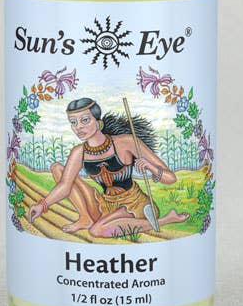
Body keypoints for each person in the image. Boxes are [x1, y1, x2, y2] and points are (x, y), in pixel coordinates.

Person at [28, 97, 189, 238]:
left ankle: (166, 219)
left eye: (85, 120)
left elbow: (171, 178)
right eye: (73, 122)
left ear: (98, 123)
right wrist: (42, 205)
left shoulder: (126, 142)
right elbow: (65, 185)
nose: (78, 127)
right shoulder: (79, 152)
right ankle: (85, 218)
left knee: (97, 230)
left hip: (135, 205)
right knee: (57, 168)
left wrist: (151, 167)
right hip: (106, 204)